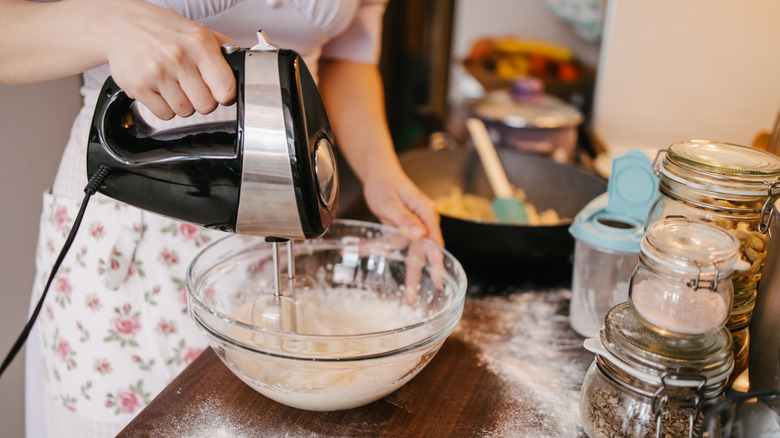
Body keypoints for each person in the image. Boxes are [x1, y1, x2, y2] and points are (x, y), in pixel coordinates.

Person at [0, 0, 443, 436]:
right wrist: (105, 24)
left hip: (275, 225)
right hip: (132, 241)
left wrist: (381, 171)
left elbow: (347, 55)